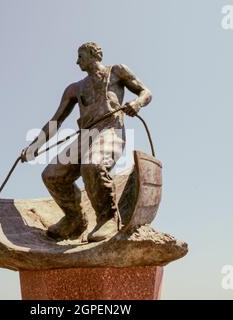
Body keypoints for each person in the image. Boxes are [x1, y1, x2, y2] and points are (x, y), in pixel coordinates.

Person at [21, 42, 152, 242]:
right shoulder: (74, 89)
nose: (77, 62)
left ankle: (107, 217)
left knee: (92, 164)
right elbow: (56, 121)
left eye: (80, 56)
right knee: (51, 175)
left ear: (93, 54)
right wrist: (34, 147)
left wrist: (137, 103)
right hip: (86, 135)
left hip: (110, 129)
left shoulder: (117, 71)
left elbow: (145, 92)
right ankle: (74, 219)